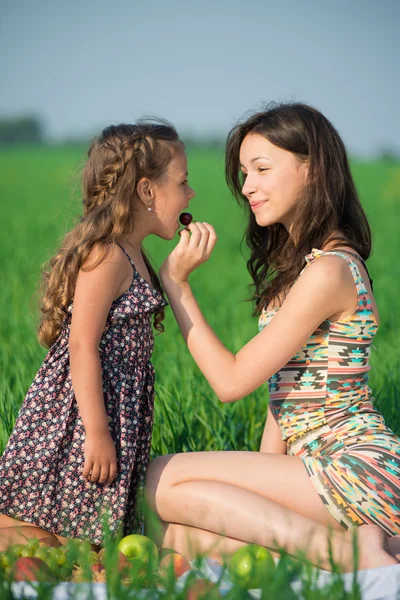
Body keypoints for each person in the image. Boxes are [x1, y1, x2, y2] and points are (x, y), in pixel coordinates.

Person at [144, 103, 400, 572]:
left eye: (262, 169)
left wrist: (177, 285)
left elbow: (231, 382)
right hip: (310, 472)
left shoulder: (330, 270)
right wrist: (261, 475)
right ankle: (349, 549)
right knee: (172, 533)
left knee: (155, 479)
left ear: (314, 169)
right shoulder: (305, 265)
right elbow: (284, 393)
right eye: (244, 173)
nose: (247, 187)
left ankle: (346, 553)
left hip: (354, 469)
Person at [0, 120, 195, 552]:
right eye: (183, 182)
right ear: (146, 191)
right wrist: (98, 434)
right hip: (83, 417)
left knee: (85, 543)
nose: (190, 194)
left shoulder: (136, 253)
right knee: (55, 539)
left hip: (113, 412)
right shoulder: (107, 255)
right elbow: (81, 346)